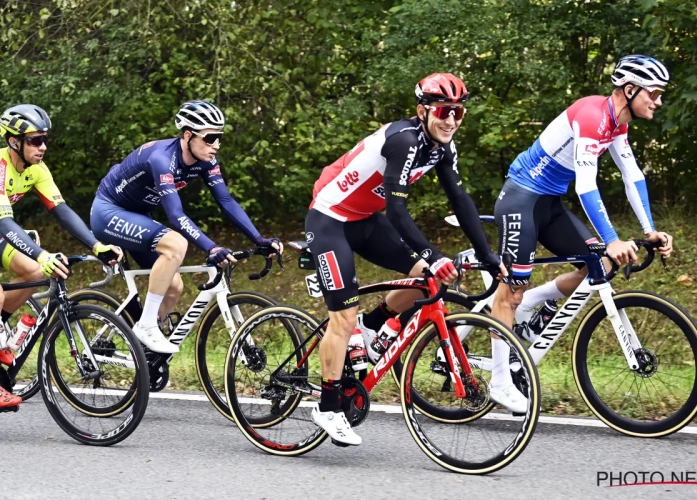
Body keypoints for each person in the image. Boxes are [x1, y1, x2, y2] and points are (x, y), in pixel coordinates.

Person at [306, 73, 506, 446]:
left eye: (459, 112)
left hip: (365, 220)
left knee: (429, 281)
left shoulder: (443, 147)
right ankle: (328, 406)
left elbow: (461, 203)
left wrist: (488, 256)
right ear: (423, 111)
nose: (451, 120)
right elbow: (397, 209)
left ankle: (372, 325)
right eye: (444, 111)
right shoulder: (404, 140)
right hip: (331, 219)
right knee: (342, 316)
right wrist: (433, 253)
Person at [490, 54, 675, 399]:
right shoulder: (592, 117)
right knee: (510, 291)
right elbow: (586, 186)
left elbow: (631, 175)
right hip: (521, 198)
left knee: (600, 264)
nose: (658, 101)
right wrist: (612, 238)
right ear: (630, 89)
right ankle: (499, 382)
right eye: (654, 93)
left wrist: (649, 230)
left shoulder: (618, 122)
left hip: (549, 204)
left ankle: (532, 300)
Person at [90, 100, 282, 354]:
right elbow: (176, 214)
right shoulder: (162, 159)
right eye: (210, 137)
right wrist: (211, 247)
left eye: (219, 137)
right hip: (108, 212)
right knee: (176, 244)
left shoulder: (206, 160)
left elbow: (225, 200)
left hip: (137, 215)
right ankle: (146, 325)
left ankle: (143, 351)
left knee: (174, 286)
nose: (216, 145)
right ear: (188, 135)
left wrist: (259, 238)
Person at [0, 104, 122, 408]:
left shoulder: (37, 170)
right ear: (14, 140)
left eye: (45, 140)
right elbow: (4, 222)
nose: (42, 147)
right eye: (34, 141)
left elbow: (62, 211)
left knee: (35, 273)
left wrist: (97, 246)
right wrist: (42, 254)